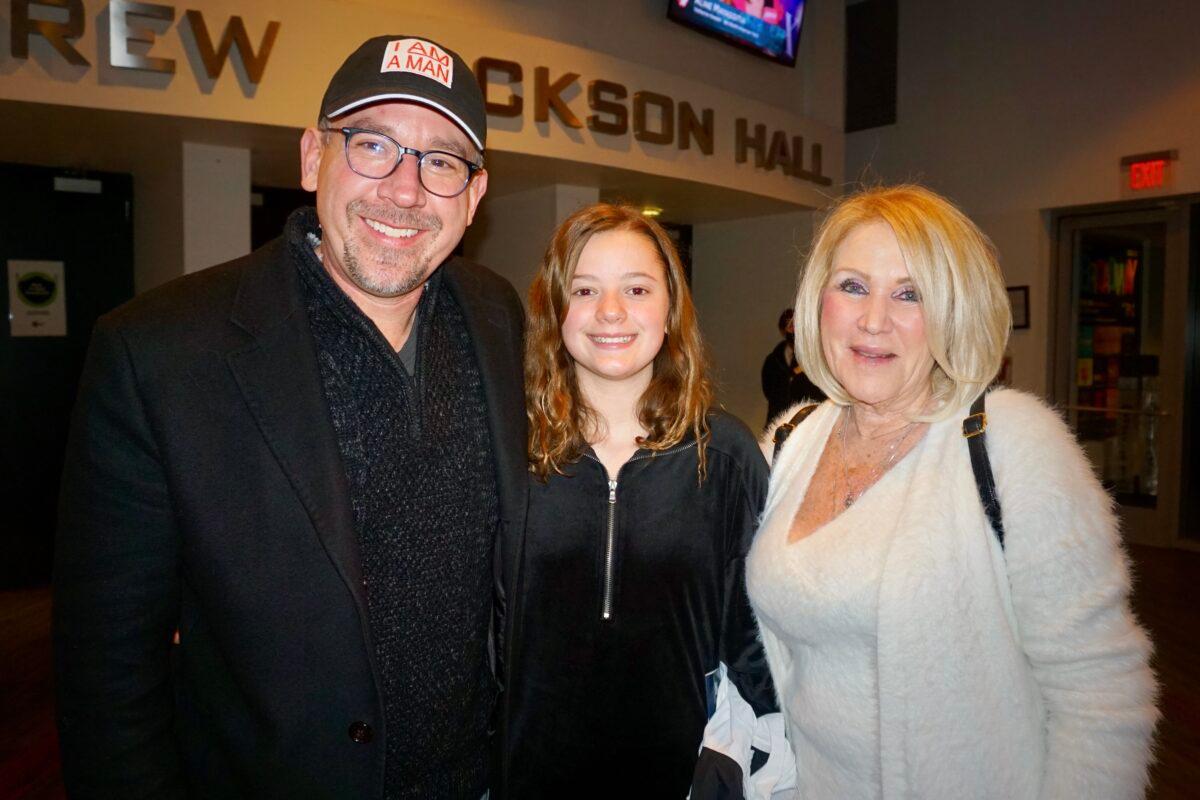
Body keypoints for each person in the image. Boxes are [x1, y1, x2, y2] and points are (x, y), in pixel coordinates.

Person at [53, 35, 527, 799]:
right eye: (373, 144)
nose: (405, 190)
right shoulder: (160, 352)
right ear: (313, 158)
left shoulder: (499, 315)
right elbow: (107, 668)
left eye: (441, 161)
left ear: (474, 196)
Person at [748, 185, 1158, 799]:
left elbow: (1100, 695)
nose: (873, 320)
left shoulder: (1012, 444)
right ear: (817, 301)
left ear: (955, 311)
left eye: (910, 294)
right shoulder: (790, 440)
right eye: (853, 286)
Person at [503, 204, 794, 799]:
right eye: (585, 290)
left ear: (670, 307)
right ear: (557, 307)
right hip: (524, 775)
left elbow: (756, 632)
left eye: (636, 288)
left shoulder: (726, 454)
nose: (611, 311)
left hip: (681, 776)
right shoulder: (509, 446)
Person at [761, 307, 824, 427]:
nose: (793, 330)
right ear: (783, 330)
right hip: (779, 419)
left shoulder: (814, 357)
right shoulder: (774, 359)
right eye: (790, 326)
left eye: (796, 325)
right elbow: (768, 389)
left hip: (807, 421)